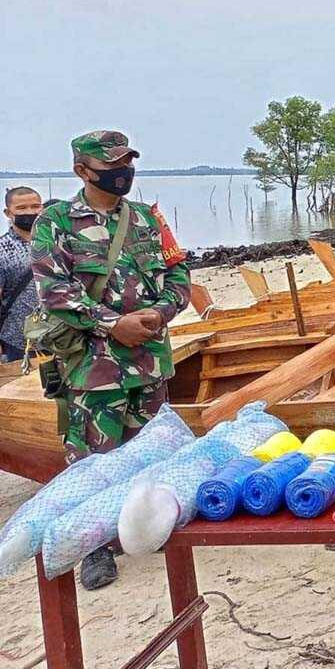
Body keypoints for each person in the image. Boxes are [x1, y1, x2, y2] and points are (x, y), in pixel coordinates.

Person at [32, 131, 191, 590]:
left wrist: (160, 311)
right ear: (83, 170)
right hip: (94, 363)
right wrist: (109, 324)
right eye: (112, 164)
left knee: (153, 451)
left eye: (127, 162)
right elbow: (55, 291)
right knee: (92, 459)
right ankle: (93, 549)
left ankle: (145, 528)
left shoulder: (145, 218)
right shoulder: (55, 221)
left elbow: (178, 270)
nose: (124, 171)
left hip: (150, 359)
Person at [0, 187, 44, 362]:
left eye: (35, 206)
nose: (30, 212)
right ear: (8, 213)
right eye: (21, 208)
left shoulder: (58, 244)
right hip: (17, 340)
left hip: (62, 338)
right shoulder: (3, 249)